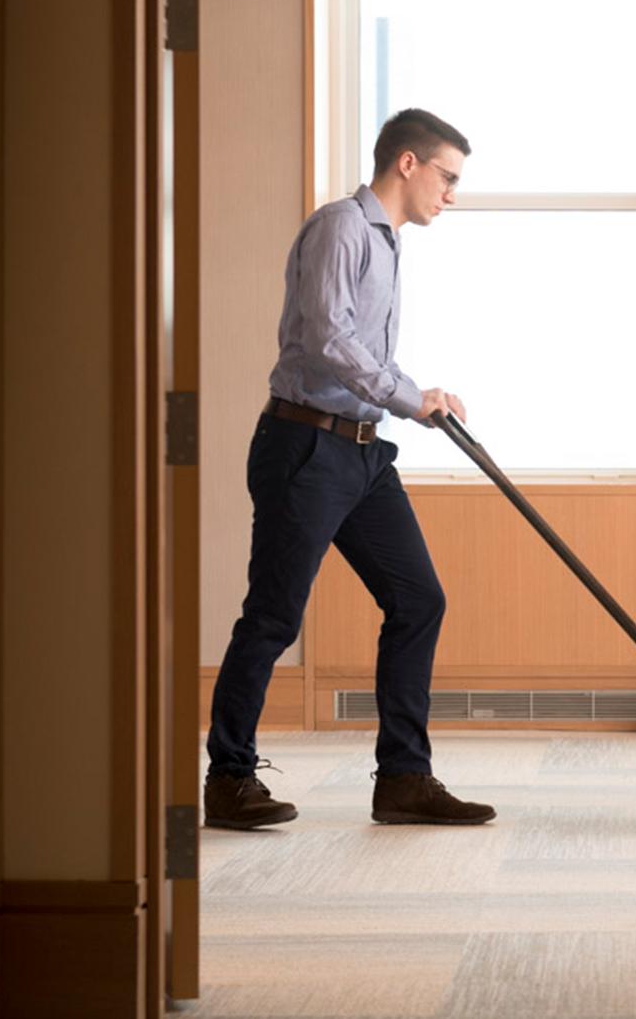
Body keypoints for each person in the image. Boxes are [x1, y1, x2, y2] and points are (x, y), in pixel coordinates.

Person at [203, 108, 495, 830]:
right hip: (305, 448)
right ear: (407, 163)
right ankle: (228, 779)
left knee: (418, 600)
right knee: (273, 615)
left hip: (361, 451)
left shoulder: (389, 244)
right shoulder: (340, 226)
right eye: (446, 177)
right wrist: (405, 396)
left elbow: (367, 354)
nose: (450, 194)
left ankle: (402, 779)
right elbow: (327, 336)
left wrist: (421, 395)